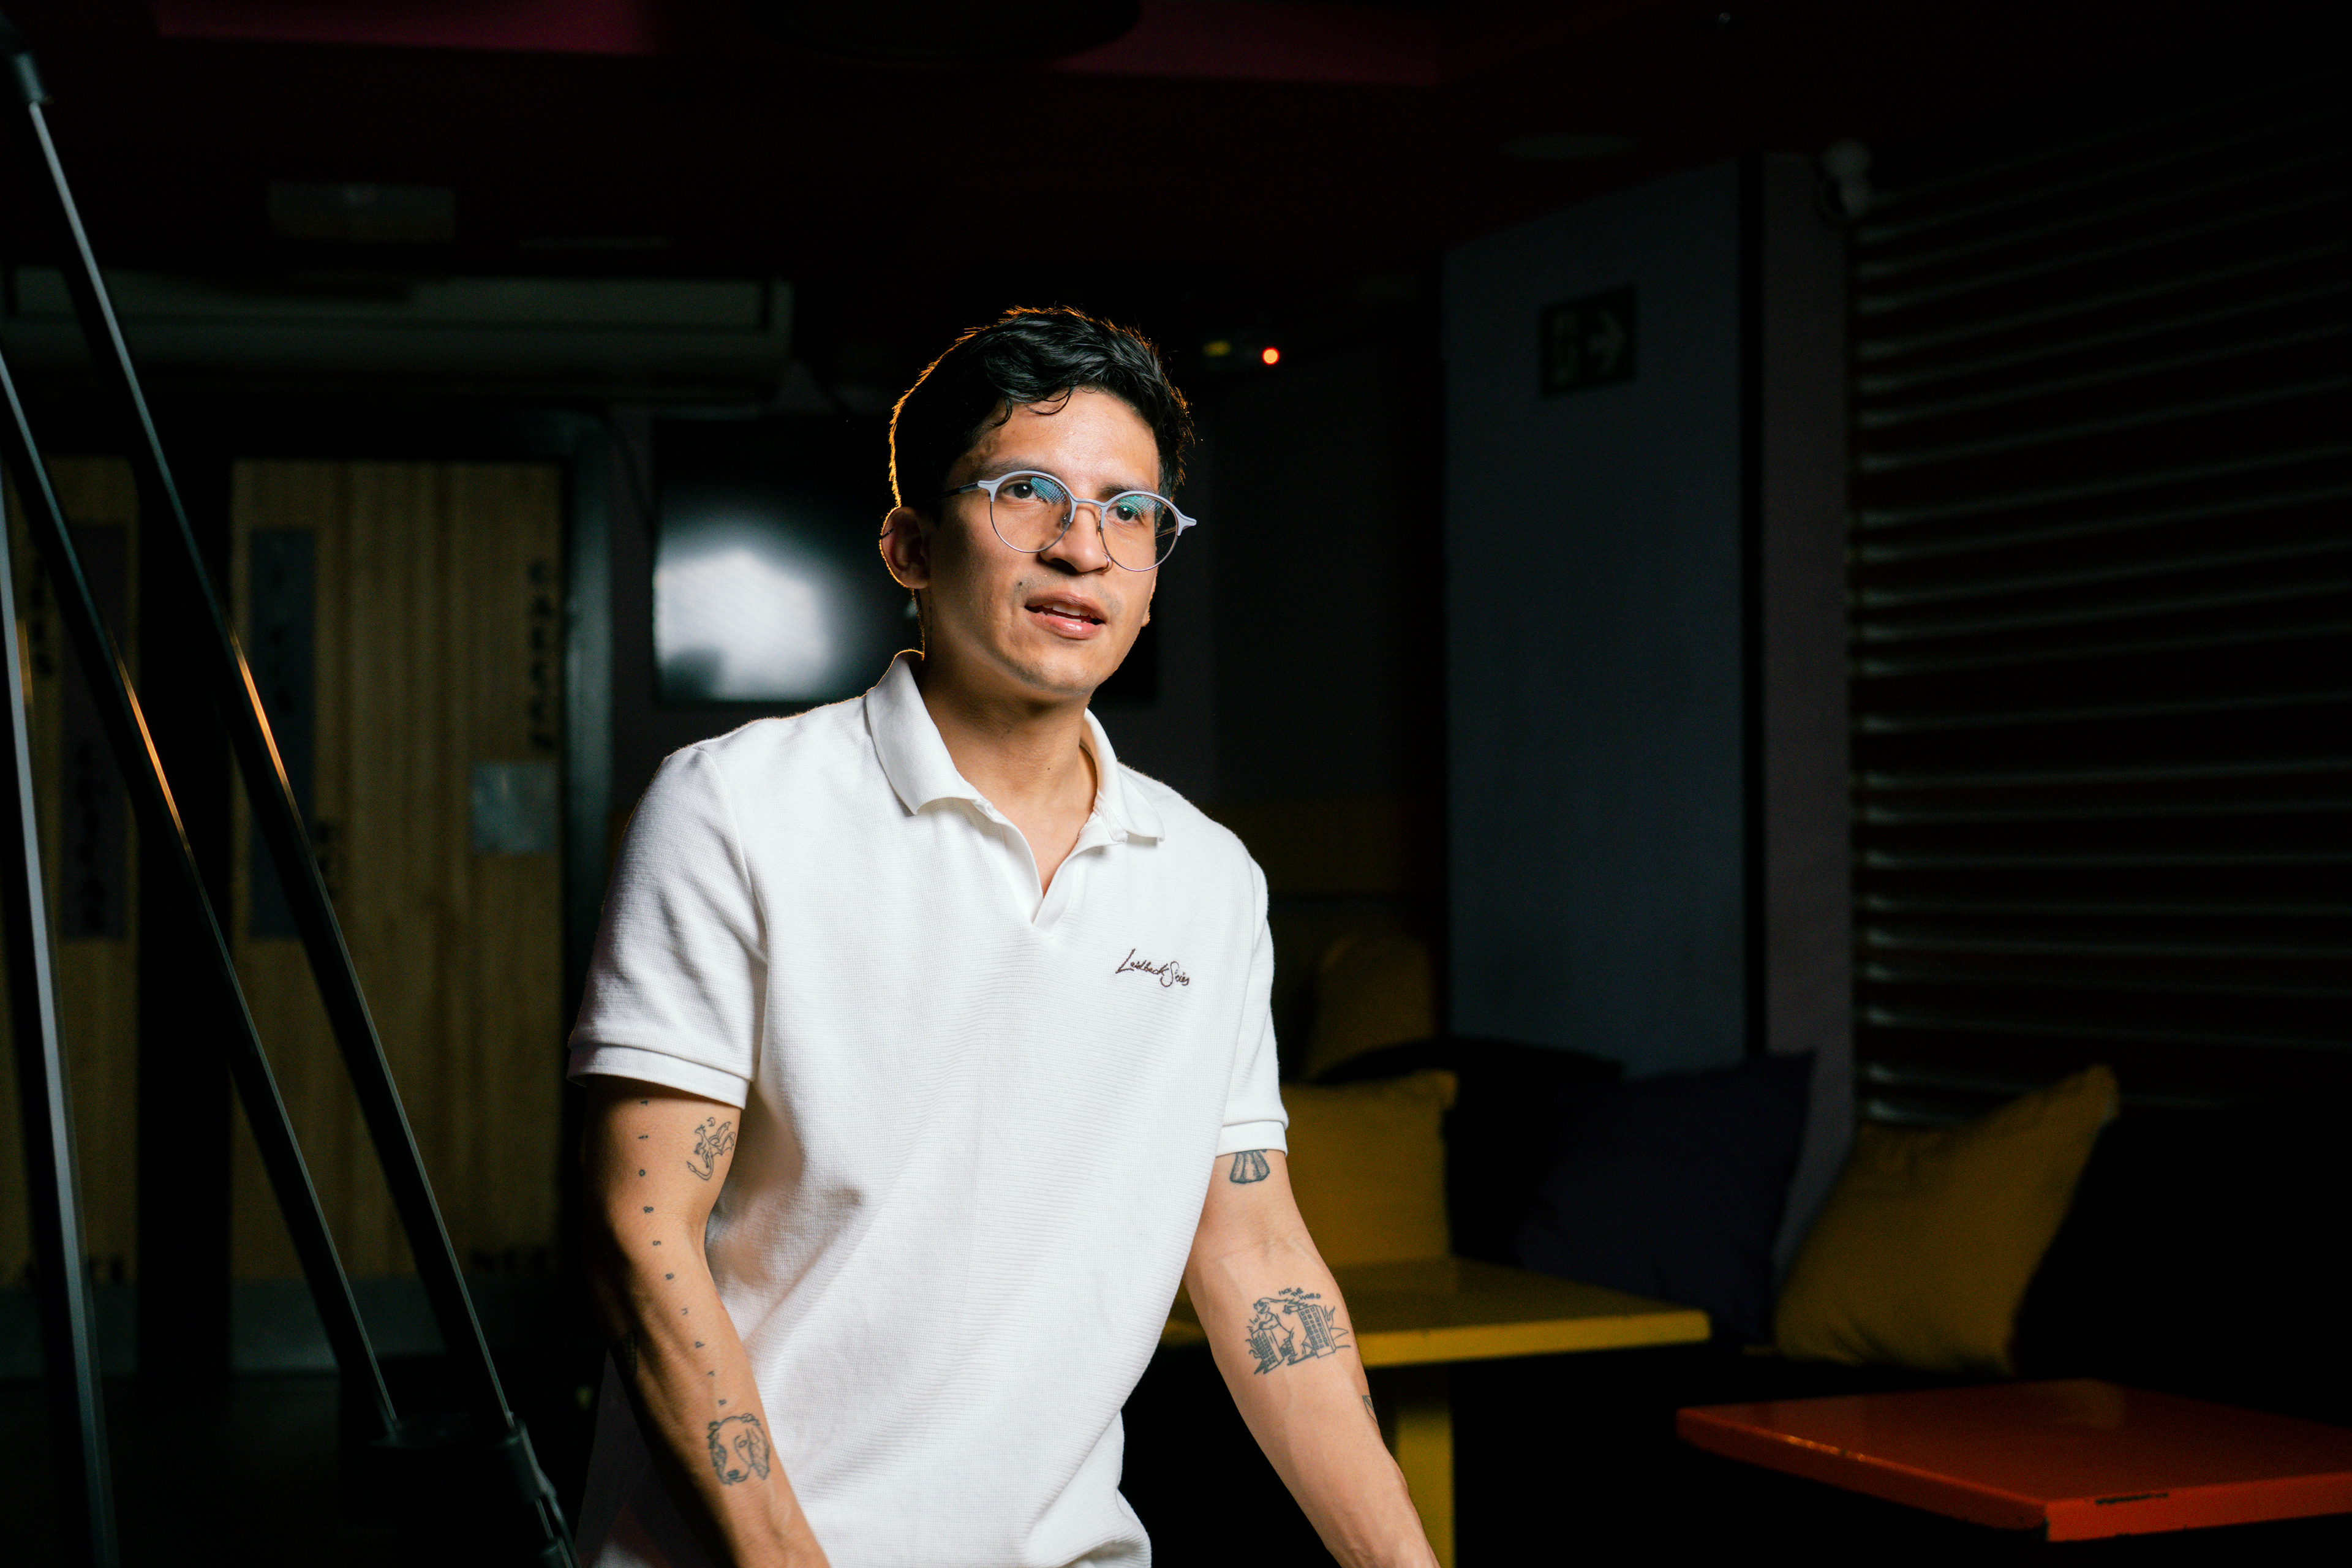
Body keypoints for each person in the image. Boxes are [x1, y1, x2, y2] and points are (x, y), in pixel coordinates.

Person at [569, 307, 1436, 1568]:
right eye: (1028, 491)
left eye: (1130, 510)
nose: (1083, 546)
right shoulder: (735, 807)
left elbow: (1254, 1256)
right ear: (911, 545)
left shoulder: (1207, 879)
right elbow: (639, 1234)